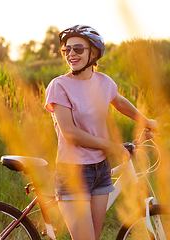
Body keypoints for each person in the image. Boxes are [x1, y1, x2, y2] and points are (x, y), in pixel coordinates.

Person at [44, 25, 158, 240]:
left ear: (93, 53)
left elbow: (121, 103)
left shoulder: (104, 82)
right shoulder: (59, 86)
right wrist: (111, 147)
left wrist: (147, 122)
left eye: (78, 49)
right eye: (66, 50)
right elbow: (70, 133)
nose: (71, 54)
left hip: (101, 170)